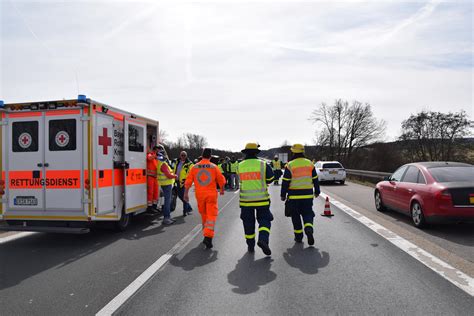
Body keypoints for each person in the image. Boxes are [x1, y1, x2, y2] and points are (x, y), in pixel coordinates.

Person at [237, 143, 275, 255]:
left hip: (245, 201)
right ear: (256, 152)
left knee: (248, 223)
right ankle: (263, 239)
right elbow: (271, 178)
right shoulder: (263, 164)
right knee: (265, 220)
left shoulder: (240, 165)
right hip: (262, 200)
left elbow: (240, 179)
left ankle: (250, 245)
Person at [184, 148, 226, 249]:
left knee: (204, 215)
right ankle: (208, 236)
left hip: (200, 195)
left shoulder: (194, 167)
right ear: (210, 157)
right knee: (211, 215)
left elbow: (188, 181)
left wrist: (185, 194)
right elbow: (221, 180)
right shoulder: (214, 167)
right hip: (211, 194)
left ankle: (205, 235)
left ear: (202, 155)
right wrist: (222, 189)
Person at [280, 144, 320, 246]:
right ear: (303, 152)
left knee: (296, 217)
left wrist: (283, 195)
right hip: (307, 195)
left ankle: (298, 237)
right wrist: (317, 191)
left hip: (294, 196)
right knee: (308, 213)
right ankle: (309, 228)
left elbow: (285, 182)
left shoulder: (290, 165)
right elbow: (315, 179)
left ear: (293, 152)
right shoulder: (310, 164)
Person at [156, 145, 178, 225]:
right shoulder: (164, 164)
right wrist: (175, 176)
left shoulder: (159, 163)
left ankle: (167, 217)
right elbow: (168, 175)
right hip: (167, 184)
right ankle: (166, 218)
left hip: (164, 184)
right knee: (167, 202)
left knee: (167, 201)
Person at [173, 151, 194, 216]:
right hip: (177, 181)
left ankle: (184, 211)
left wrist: (187, 180)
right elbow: (174, 169)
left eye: (184, 155)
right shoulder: (177, 161)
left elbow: (192, 173)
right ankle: (189, 207)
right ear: (180, 155)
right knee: (179, 195)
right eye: (182, 155)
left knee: (184, 196)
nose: (183, 156)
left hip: (184, 182)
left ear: (186, 156)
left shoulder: (189, 164)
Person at [146, 146, 160, 213]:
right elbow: (149, 158)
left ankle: (154, 206)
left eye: (158, 151)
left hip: (155, 177)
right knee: (150, 192)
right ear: (154, 150)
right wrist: (154, 155)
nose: (157, 152)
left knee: (156, 192)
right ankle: (150, 207)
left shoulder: (156, 158)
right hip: (150, 177)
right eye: (157, 150)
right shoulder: (150, 154)